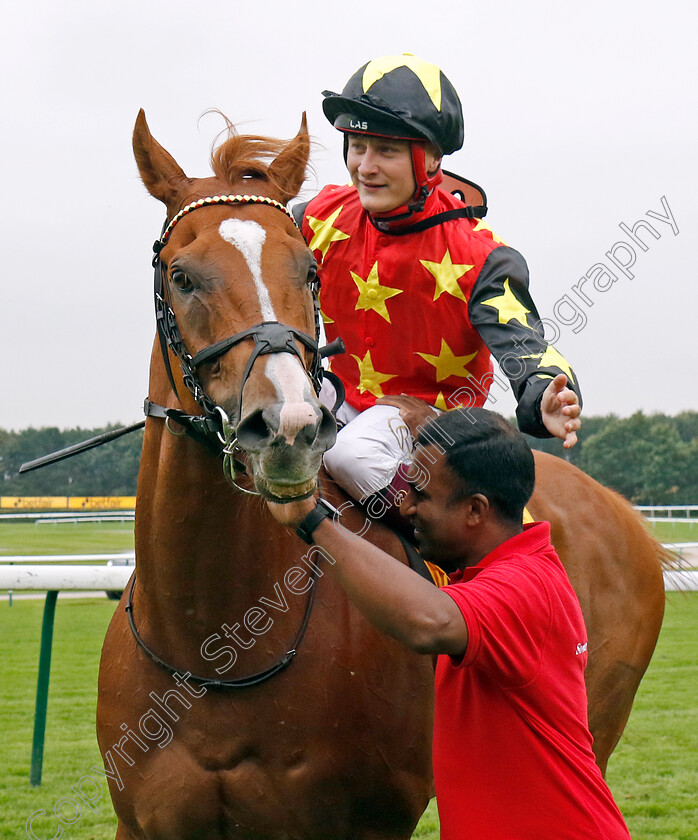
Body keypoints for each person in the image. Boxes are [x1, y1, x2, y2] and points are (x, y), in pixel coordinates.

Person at [267, 406, 632, 840]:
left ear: (476, 511)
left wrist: (313, 521)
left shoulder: (524, 585)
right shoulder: (500, 575)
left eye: (420, 494)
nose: (406, 506)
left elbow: (428, 621)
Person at [295, 54, 581, 511]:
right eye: (356, 146)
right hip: (343, 395)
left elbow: (526, 343)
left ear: (430, 159)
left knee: (353, 455)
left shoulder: (483, 256)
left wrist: (544, 388)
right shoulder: (317, 217)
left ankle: (433, 558)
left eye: (385, 150)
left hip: (434, 422)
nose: (364, 167)